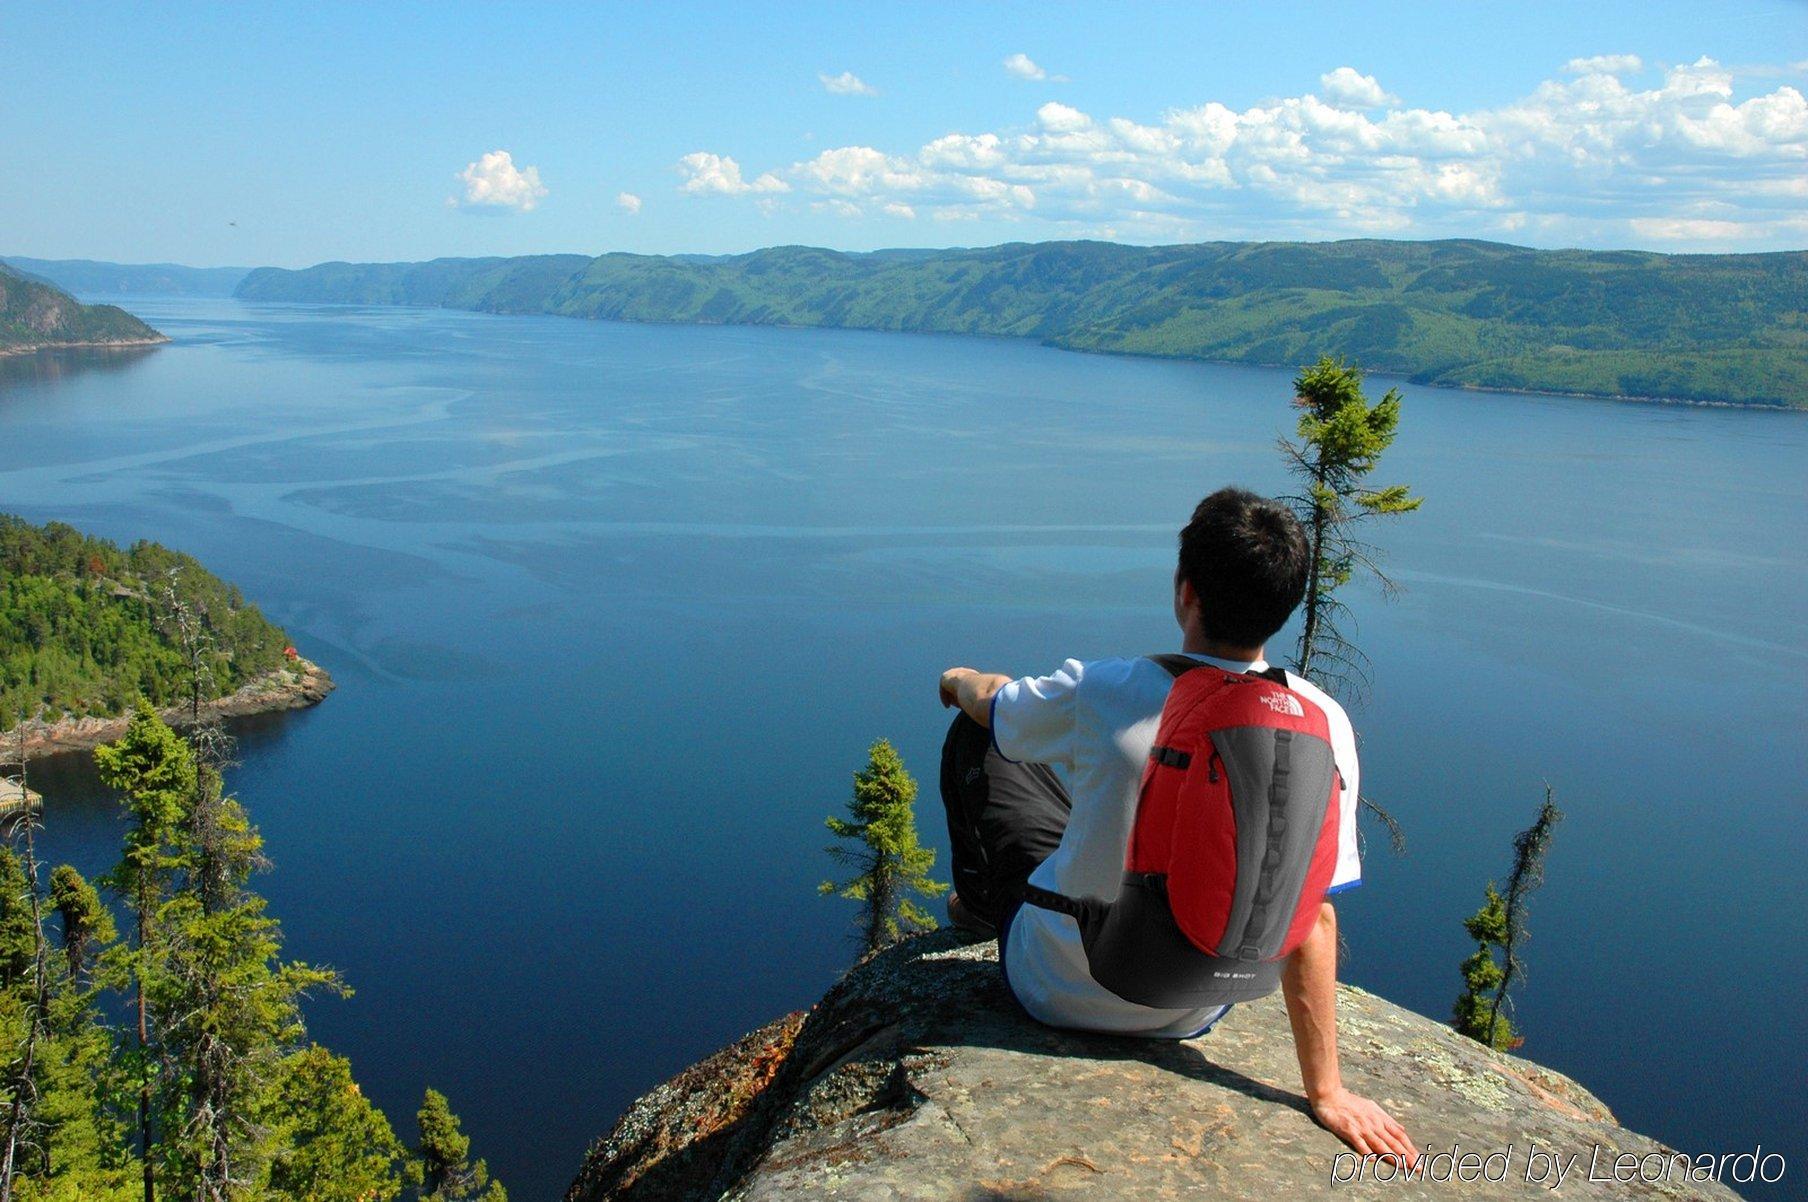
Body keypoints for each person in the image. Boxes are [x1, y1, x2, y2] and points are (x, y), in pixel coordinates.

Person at [936, 485, 1418, 1166]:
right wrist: (1328, 1091)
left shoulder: (1110, 688)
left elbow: (995, 706)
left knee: (984, 737)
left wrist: (960, 679)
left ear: (1186, 590)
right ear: (1283, 605)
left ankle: (984, 907)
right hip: (1191, 1010)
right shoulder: (1322, 723)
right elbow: (1316, 918)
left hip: (1056, 986)